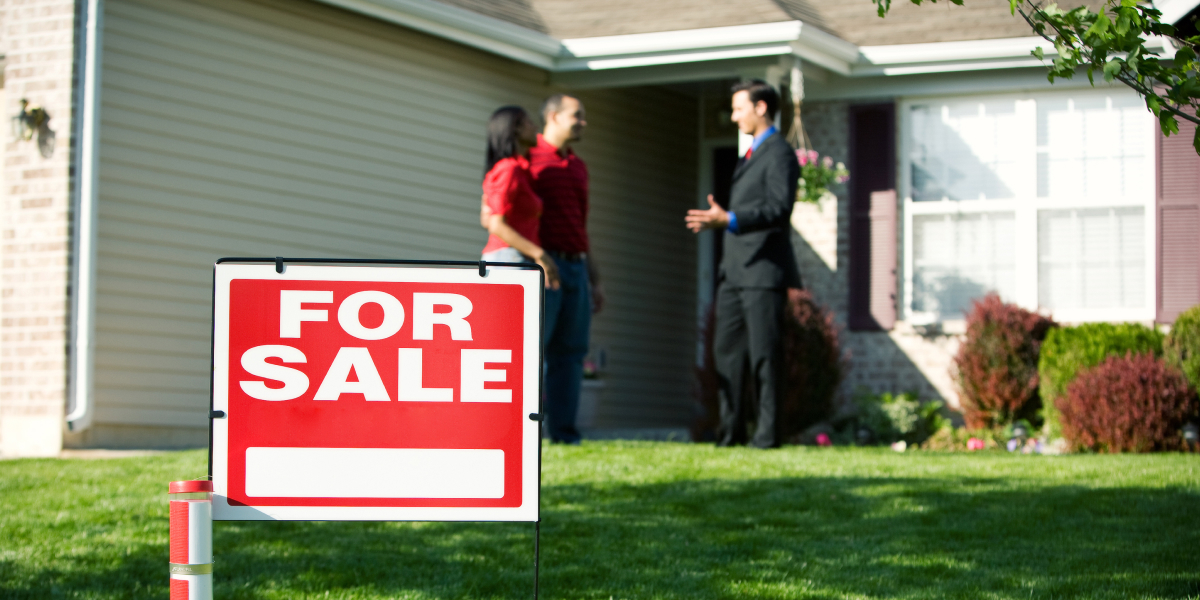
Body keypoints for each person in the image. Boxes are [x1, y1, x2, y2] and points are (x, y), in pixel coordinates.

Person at [685, 80, 801, 449]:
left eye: (739, 108)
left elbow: (779, 209)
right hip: (734, 273)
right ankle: (729, 434)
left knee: (765, 356)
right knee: (726, 354)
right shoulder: (749, 153)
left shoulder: (780, 153)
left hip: (763, 272)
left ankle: (767, 437)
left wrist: (730, 219)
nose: (734, 116)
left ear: (761, 108)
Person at [482, 94, 602, 444]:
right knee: (535, 351)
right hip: (542, 265)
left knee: (572, 353)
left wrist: (596, 278)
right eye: (576, 116)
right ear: (553, 116)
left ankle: (565, 434)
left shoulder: (578, 166)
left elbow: (582, 224)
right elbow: (495, 212)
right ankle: (523, 434)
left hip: (576, 265)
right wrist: (539, 257)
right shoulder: (525, 160)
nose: (583, 122)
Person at [480, 106, 560, 290]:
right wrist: (540, 254)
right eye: (529, 122)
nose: (535, 127)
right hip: (508, 259)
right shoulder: (509, 169)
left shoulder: (520, 170)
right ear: (516, 129)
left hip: (516, 258)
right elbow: (495, 224)